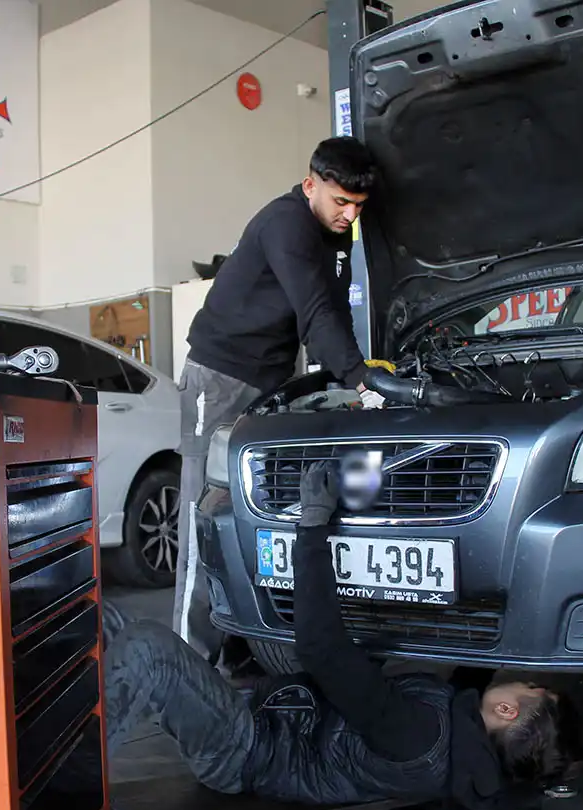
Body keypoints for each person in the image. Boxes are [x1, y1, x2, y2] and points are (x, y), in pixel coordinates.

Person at [103, 462, 583, 808]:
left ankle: (57, 774)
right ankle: (37, 725)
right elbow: (478, 663)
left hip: (245, 747)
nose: (523, 678)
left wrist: (313, 525)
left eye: (531, 685)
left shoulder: (420, 736)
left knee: (148, 649)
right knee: (105, 622)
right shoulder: (463, 739)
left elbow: (321, 650)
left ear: (509, 709)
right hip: (262, 722)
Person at [174, 136, 387, 666]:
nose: (349, 215)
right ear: (311, 184)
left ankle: (241, 646)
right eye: (340, 202)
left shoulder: (335, 233)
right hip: (219, 377)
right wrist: (360, 378)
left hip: (270, 384)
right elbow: (314, 310)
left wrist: (349, 374)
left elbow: (331, 314)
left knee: (253, 515)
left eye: (358, 207)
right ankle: (188, 664)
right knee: (203, 518)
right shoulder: (286, 222)